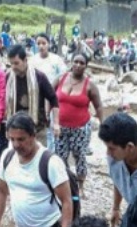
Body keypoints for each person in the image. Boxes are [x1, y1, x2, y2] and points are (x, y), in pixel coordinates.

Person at [0, 113, 73, 227]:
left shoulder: (50, 162)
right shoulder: (7, 158)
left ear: (33, 136)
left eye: (21, 139)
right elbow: (1, 191)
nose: (16, 144)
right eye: (12, 139)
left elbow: (66, 201)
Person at [54, 52, 103, 195]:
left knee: (79, 156)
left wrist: (103, 124)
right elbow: (49, 95)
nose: (78, 65)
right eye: (76, 61)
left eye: (82, 63)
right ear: (71, 62)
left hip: (80, 128)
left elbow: (98, 105)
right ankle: (64, 184)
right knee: (60, 157)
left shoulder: (90, 86)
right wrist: (48, 115)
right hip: (60, 127)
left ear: (86, 66)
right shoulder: (61, 79)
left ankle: (80, 186)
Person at [4, 44, 60, 144]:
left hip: (37, 129)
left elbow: (53, 99)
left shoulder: (39, 77)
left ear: (25, 60)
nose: (13, 67)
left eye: (16, 63)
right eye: (11, 63)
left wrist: (56, 123)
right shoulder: (8, 77)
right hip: (16, 132)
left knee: (39, 158)